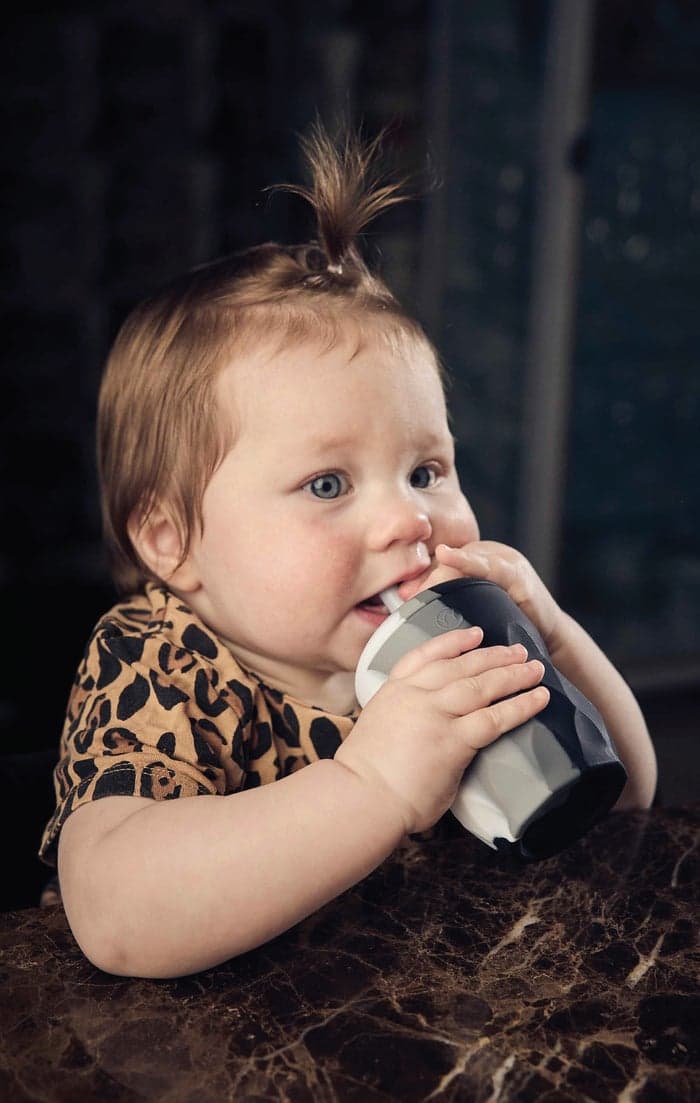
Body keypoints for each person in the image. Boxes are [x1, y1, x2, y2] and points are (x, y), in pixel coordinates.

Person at [38, 124, 657, 979]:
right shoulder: (159, 660)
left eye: (426, 469)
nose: (411, 520)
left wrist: (551, 638)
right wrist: (370, 786)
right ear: (170, 541)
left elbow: (623, 801)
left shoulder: (440, 648)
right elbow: (117, 918)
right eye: (328, 484)